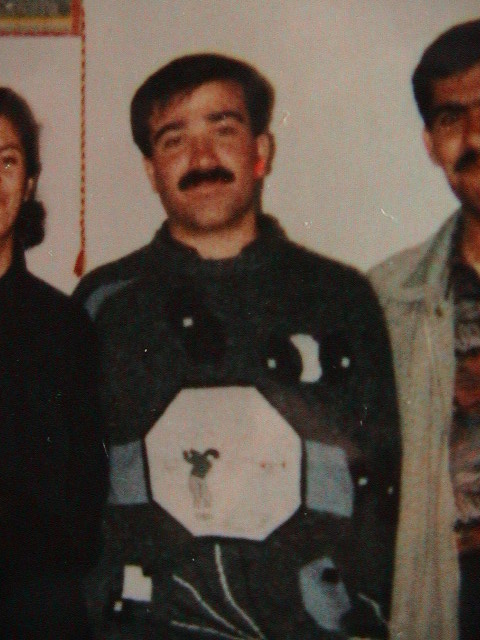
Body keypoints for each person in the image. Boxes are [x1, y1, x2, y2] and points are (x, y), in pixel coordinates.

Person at [75, 53, 400, 639]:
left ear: (261, 151)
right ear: (151, 170)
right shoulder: (105, 304)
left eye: (223, 130)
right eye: (174, 140)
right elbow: (72, 491)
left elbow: (383, 484)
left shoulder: (339, 297)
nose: (202, 159)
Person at [369, 18, 480, 640]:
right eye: (452, 117)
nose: (474, 136)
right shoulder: (389, 299)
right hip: (446, 605)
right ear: (432, 144)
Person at [0, 87, 107, 638]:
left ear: (29, 182)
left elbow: (84, 494)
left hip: (33, 606)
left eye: (6, 161)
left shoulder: (65, 326)